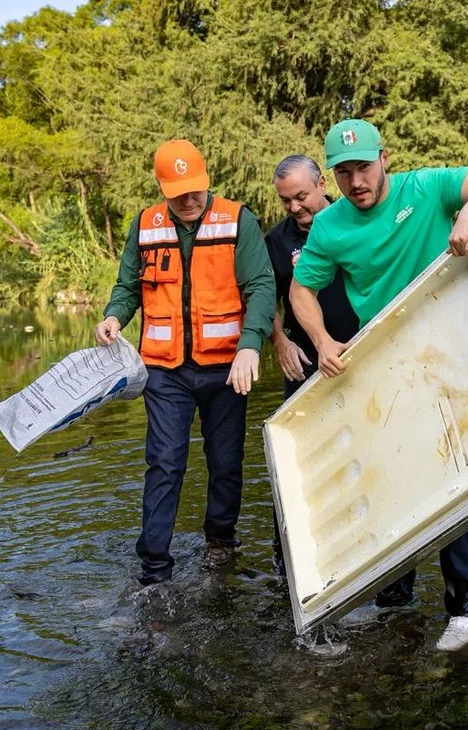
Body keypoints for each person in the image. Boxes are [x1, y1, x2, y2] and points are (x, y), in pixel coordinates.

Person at [288, 118, 468, 650]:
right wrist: (321, 340)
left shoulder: (426, 187)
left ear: (384, 158)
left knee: (458, 470)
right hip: (384, 360)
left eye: (363, 167)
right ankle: (397, 599)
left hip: (450, 345)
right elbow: (302, 292)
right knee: (390, 476)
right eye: (343, 173)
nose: (356, 181)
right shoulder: (329, 228)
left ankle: (466, 606)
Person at [95, 139, 276, 585]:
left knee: (227, 461)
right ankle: (155, 565)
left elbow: (261, 286)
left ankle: (220, 542)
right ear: (162, 188)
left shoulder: (238, 220)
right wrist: (113, 317)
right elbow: (127, 287)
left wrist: (251, 344)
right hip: (164, 369)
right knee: (165, 461)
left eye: (196, 190)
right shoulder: (144, 225)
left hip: (227, 367)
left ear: (206, 180)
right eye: (179, 193)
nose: (190, 200)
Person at [263, 154, 359, 573]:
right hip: (304, 363)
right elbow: (266, 299)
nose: (295, 207)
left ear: (322, 184)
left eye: (301, 196)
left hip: (362, 354)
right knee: (299, 462)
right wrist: (280, 341)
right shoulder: (277, 241)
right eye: (286, 201)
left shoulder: (355, 220)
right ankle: (291, 562)